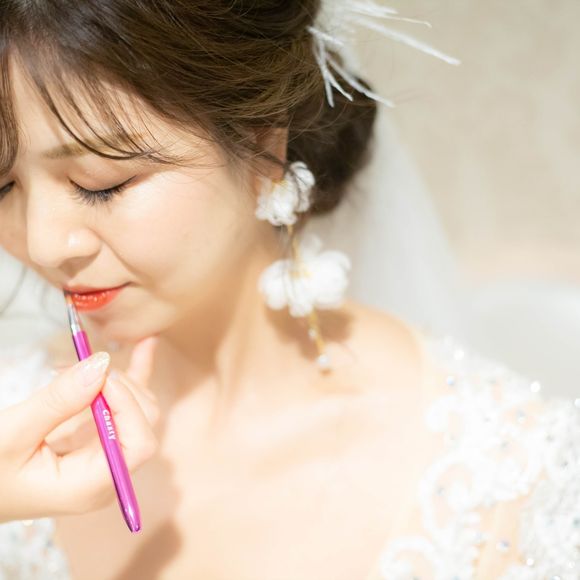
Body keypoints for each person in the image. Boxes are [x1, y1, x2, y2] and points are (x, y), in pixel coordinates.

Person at [0, 1, 578, 579]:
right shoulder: (13, 412)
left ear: (265, 146)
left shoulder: (510, 476)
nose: (43, 244)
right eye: (4, 186)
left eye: (101, 183)